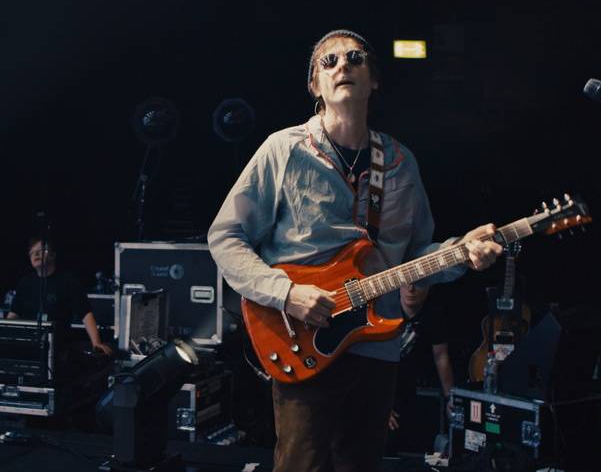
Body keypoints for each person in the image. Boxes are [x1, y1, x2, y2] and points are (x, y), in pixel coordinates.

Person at [207, 29, 502, 472]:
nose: (342, 65)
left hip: (377, 347)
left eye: (355, 58)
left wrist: (462, 253)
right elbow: (226, 237)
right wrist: (287, 293)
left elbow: (417, 256)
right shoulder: (283, 150)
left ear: (374, 79)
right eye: (328, 61)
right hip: (300, 338)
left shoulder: (401, 162)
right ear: (315, 85)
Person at [6, 237, 113, 356]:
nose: (35, 254)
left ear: (53, 255)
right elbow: (13, 314)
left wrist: (96, 343)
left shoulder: (68, 280)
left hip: (59, 348)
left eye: (41, 250)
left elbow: (85, 313)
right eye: (32, 252)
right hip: (29, 346)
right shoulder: (25, 283)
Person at [386, 283, 454, 455]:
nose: (411, 289)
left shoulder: (434, 312)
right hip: (381, 384)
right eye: (406, 284)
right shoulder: (385, 309)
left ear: (429, 286)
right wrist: (377, 404)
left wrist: (451, 398)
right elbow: (369, 363)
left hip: (412, 385)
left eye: (419, 284)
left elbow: (441, 356)